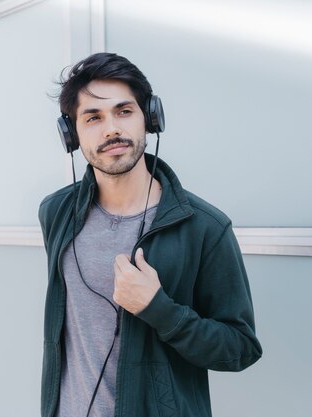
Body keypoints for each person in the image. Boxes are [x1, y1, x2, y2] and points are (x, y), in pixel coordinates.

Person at [38, 52, 262, 417]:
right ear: (71, 134)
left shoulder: (205, 227)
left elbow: (240, 349)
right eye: (93, 117)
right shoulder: (56, 213)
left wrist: (160, 310)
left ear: (150, 119)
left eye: (124, 112)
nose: (111, 129)